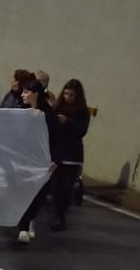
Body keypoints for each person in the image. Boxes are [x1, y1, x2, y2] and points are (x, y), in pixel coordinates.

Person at [16, 80, 59, 245]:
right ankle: (24, 227)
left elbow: (55, 139)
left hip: (42, 161)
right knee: (24, 193)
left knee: (39, 196)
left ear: (36, 94)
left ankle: (29, 220)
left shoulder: (48, 115)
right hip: (23, 159)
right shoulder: (22, 112)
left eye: (26, 92)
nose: (22, 95)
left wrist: (55, 159)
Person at [50, 79, 91, 232]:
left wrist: (67, 121)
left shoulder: (82, 111)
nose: (68, 97)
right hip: (57, 153)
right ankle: (56, 214)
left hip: (72, 154)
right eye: (66, 93)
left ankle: (61, 216)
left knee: (67, 188)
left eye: (71, 94)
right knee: (55, 187)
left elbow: (82, 130)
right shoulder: (57, 107)